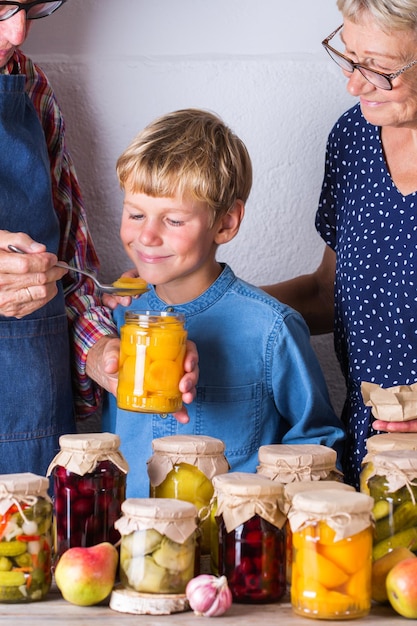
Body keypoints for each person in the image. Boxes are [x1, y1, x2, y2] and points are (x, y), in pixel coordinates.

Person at [101, 107, 345, 497]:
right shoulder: (117, 320)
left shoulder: (271, 328)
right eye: (135, 213)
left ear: (226, 223)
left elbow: (317, 442)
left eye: (174, 220)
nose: (146, 236)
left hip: (234, 546)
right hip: (136, 545)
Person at [0, 0, 197, 477]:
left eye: (30, 6)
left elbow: (71, 272)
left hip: (27, 441)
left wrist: (102, 354)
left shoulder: (30, 86)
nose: (18, 33)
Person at [263, 0, 417, 489]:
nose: (354, 84)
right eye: (350, 58)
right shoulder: (354, 137)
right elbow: (334, 295)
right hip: (369, 461)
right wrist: (207, 307)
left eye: (379, 68)